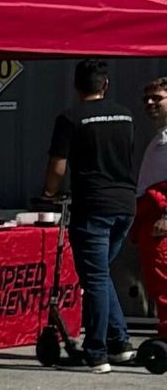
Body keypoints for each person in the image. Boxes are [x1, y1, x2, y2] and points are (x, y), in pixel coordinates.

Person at [40, 60, 143, 369]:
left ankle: (96, 351)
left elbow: (58, 165)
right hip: (125, 204)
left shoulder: (71, 118)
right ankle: (119, 342)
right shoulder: (125, 116)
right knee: (102, 274)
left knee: (95, 278)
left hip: (93, 206)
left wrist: (49, 192)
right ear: (105, 84)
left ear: (77, 86)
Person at [133, 74, 167, 348]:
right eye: (147, 99)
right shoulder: (159, 139)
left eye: (158, 98)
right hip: (150, 218)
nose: (150, 103)